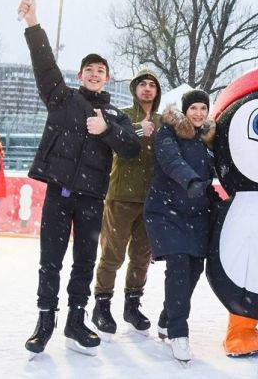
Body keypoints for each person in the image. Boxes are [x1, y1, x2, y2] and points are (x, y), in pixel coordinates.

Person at [17, 0, 141, 357]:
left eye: (100, 71)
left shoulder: (115, 113)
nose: (94, 74)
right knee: (51, 260)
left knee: (85, 261)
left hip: (91, 199)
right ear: (80, 75)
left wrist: (106, 130)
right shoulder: (61, 97)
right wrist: (33, 21)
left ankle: (75, 318)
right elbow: (44, 63)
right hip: (60, 193)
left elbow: (131, 147)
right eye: (89, 69)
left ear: (107, 78)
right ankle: (45, 321)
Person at [144, 90, 215, 362]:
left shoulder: (207, 140)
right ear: (184, 110)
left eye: (203, 108)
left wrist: (216, 196)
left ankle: (166, 318)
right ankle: (178, 332)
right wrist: (191, 180)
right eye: (193, 108)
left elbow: (215, 171)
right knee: (179, 266)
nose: (198, 113)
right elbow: (171, 160)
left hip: (196, 214)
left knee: (195, 268)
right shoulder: (168, 132)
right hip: (166, 211)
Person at [92, 68, 162, 339]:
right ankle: (102, 305)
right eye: (142, 84)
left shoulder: (162, 120)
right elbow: (110, 135)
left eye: (151, 85)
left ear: (157, 92)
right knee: (112, 254)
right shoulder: (120, 114)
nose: (146, 89)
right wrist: (136, 129)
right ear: (134, 89)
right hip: (120, 195)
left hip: (150, 199)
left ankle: (132, 305)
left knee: (141, 258)